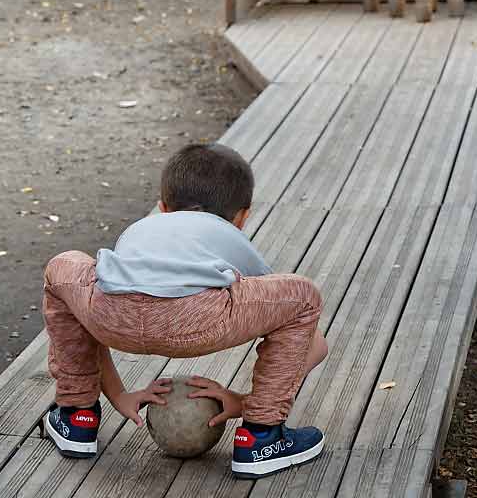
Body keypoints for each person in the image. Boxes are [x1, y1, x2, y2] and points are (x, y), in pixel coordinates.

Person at [39, 143, 330, 480]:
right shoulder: (229, 236)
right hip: (198, 321)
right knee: (302, 294)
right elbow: (313, 343)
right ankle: (261, 436)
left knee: (62, 268)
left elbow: (95, 306)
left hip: (112, 316)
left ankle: (76, 414)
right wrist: (244, 402)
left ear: (163, 207)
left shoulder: (141, 228)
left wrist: (119, 395)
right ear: (242, 217)